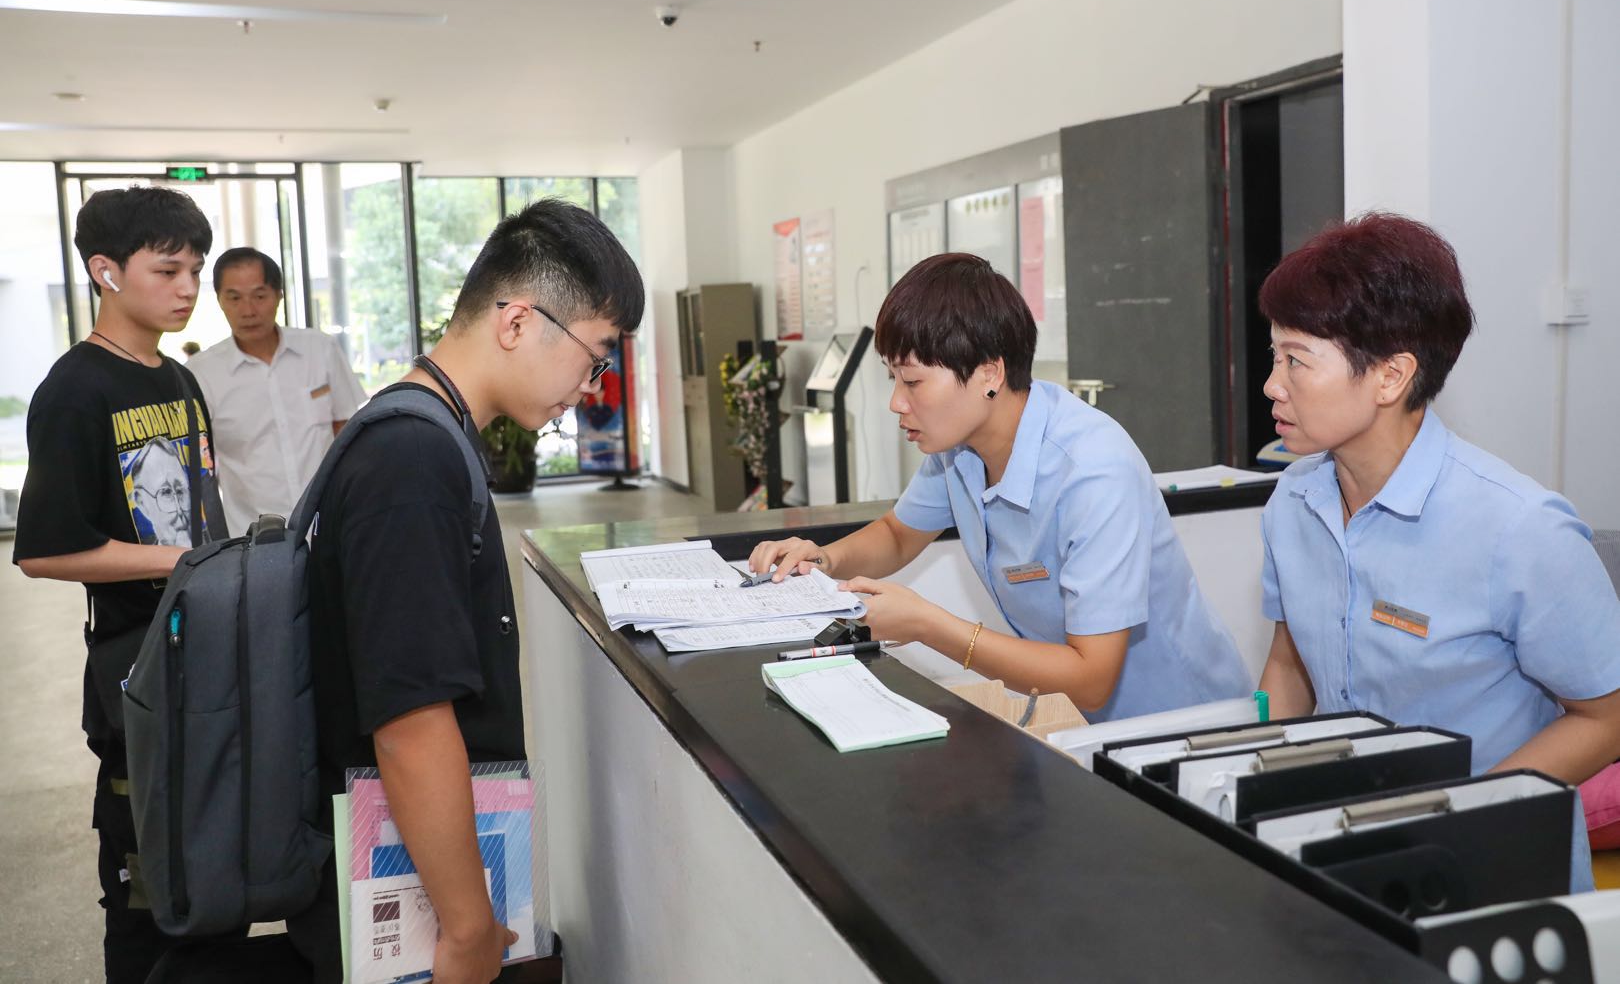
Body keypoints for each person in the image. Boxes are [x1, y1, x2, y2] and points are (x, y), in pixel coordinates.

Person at [285, 198, 643, 983]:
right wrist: (469, 923)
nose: (592, 385)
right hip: (398, 894)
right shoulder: (411, 461)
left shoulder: (424, 433)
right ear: (517, 322)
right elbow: (410, 723)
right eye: (595, 356)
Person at [1254, 211, 1620, 890]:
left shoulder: (1520, 530)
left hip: (1491, 857)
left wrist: (1459, 814)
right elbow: (1289, 661)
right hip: (1345, 842)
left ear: (1391, 376)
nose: (1274, 384)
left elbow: (1607, 717)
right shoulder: (1293, 502)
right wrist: (1251, 778)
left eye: (1297, 360)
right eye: (1274, 356)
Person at [749, 253, 1249, 721]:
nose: (896, 403)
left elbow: (1091, 679)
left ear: (989, 373)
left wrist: (926, 624)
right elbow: (898, 534)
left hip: (1182, 727)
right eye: (892, 379)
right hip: (1083, 721)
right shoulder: (958, 448)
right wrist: (822, 560)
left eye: (913, 382)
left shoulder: (1094, 472)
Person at [12, 186, 225, 983]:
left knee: (210, 871)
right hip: (135, 673)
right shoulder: (75, 390)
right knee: (144, 887)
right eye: (167, 270)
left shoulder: (179, 378)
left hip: (206, 657)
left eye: (194, 270)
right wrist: (178, 562)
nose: (188, 287)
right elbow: (44, 550)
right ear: (106, 271)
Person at [188, 247, 368, 534]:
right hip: (253, 535)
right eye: (234, 298)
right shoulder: (201, 373)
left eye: (260, 296)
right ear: (219, 300)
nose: (248, 310)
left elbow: (346, 430)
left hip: (330, 524)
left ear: (279, 296)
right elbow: (201, 465)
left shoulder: (320, 349)